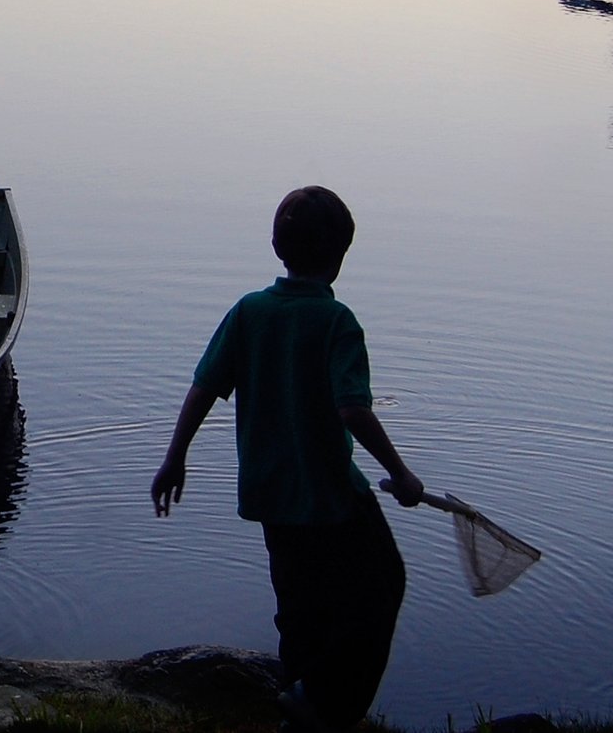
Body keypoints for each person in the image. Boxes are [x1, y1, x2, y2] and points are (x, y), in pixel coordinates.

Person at [150, 186, 426, 733]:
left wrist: (174, 457)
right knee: (380, 585)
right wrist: (401, 473)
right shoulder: (337, 322)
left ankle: (298, 705)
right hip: (332, 497)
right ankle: (324, 702)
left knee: (300, 609)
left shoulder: (250, 312)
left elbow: (204, 386)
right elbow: (353, 410)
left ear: (278, 247)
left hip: (272, 494)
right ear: (341, 254)